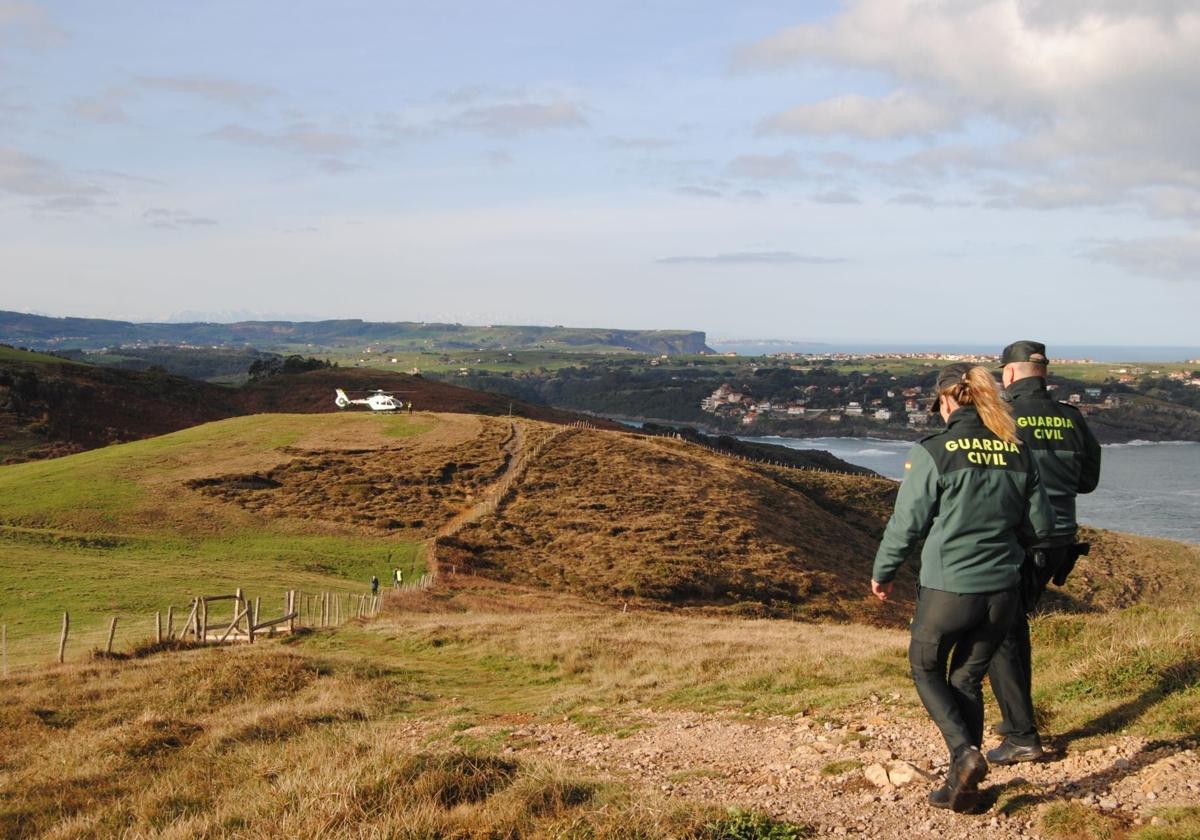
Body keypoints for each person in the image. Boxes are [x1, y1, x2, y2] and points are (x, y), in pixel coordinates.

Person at [872, 363, 1054, 812]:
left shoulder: (936, 450)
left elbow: (906, 524)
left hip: (949, 588)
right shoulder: (1016, 449)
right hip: (1003, 590)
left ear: (948, 401)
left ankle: (964, 753)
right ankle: (964, 788)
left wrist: (884, 571)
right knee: (967, 677)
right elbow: (1042, 526)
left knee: (925, 665)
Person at [986, 341, 1102, 764]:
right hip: (1058, 541)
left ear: (1009, 374)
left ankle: (1021, 735)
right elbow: (1087, 482)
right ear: (1044, 374)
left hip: (1016, 538)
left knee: (1002, 635)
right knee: (1016, 628)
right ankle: (1017, 717)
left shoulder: (1002, 416)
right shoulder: (1072, 418)